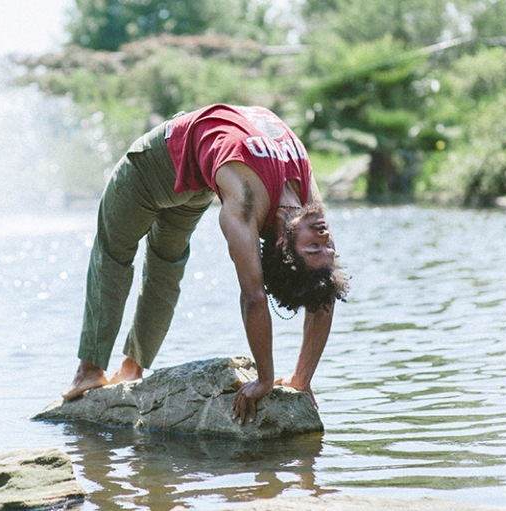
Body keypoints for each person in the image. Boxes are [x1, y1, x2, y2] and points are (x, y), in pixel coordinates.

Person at [61, 104, 349, 424]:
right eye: (325, 247)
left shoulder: (251, 202)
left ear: (284, 244)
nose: (325, 237)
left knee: (166, 266)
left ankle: (132, 368)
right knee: (113, 255)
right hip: (153, 165)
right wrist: (267, 379)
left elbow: (285, 295)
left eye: (315, 247)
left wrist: (301, 378)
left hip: (195, 185)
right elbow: (262, 296)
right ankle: (90, 369)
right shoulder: (303, 208)